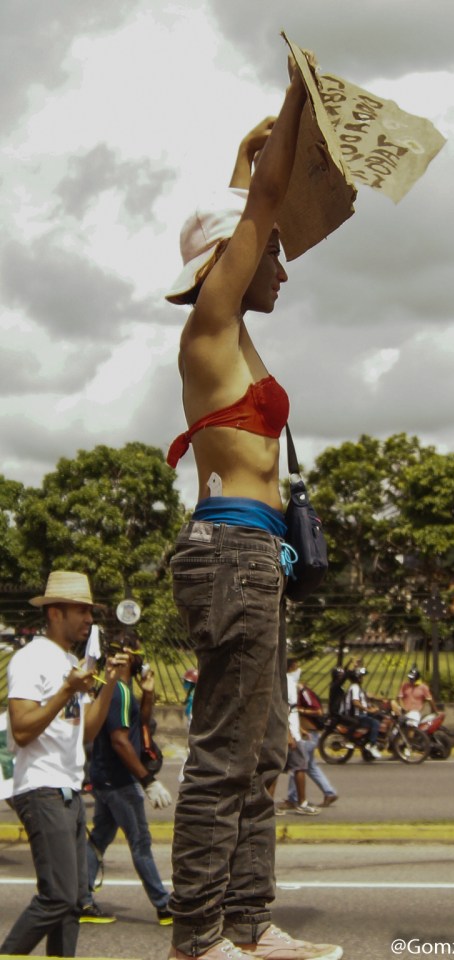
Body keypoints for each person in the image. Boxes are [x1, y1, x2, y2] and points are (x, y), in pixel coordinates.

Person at [164, 46, 342, 960]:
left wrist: (245, 153)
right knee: (229, 755)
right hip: (230, 554)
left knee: (265, 753)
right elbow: (257, 214)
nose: (282, 267)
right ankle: (198, 935)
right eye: (268, 257)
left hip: (255, 556)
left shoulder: (237, 342)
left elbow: (246, 209)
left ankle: (248, 921)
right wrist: (293, 100)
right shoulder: (210, 330)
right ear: (223, 268)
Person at [0, 570, 127, 958]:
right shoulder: (31, 659)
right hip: (41, 787)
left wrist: (108, 683)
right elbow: (21, 730)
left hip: (69, 790)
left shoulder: (71, 662)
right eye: (81, 611)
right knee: (55, 897)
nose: (89, 619)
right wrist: (67, 689)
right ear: (55, 613)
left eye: (90, 611)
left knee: (72, 901)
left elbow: (86, 732)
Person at [80, 636, 173, 925]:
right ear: (128, 657)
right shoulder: (118, 691)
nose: (142, 662)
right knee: (140, 843)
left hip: (107, 779)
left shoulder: (121, 691)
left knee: (100, 838)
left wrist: (148, 694)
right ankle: (164, 905)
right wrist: (148, 781)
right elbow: (120, 741)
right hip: (118, 779)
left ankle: (81, 900)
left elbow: (139, 725)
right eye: (139, 656)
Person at [281, 660, 337, 810]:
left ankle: (295, 799)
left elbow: (318, 711)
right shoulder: (292, 685)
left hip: (305, 734)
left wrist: (299, 712)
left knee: (298, 767)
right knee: (308, 766)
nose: (299, 670)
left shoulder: (302, 691)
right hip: (302, 732)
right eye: (297, 667)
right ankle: (329, 792)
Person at [344, 667, 383, 759]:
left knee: (378, 717)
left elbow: (366, 697)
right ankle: (371, 745)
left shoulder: (358, 688)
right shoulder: (354, 688)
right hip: (356, 715)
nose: (362, 678)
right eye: (361, 676)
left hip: (361, 713)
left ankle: (366, 750)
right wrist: (367, 710)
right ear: (357, 678)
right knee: (375, 723)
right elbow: (355, 702)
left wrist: (379, 702)